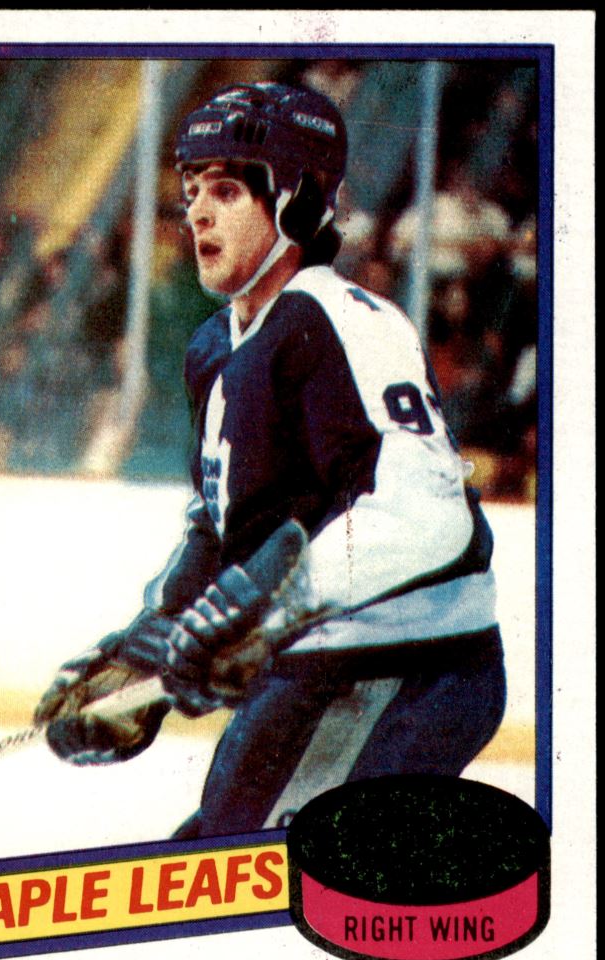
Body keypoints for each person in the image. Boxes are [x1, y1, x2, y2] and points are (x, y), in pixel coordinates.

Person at [34, 83, 506, 840]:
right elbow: (221, 527)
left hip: (406, 670)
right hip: (320, 671)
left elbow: (424, 513)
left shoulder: (342, 321)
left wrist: (267, 602)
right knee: (207, 870)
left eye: (225, 190)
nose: (196, 213)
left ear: (297, 202)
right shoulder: (214, 348)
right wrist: (148, 643)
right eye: (191, 190)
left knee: (243, 881)